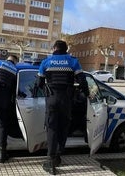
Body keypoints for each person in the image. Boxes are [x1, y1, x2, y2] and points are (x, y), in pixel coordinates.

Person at [36, 40, 90, 175]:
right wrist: (86, 94)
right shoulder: (73, 61)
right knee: (63, 127)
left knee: (52, 128)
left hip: (52, 99)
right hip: (66, 100)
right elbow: (82, 81)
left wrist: (47, 92)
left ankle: (50, 160)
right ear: (66, 49)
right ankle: (58, 156)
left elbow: (38, 83)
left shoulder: (46, 62)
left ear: (54, 48)